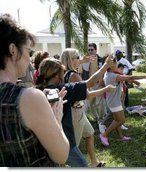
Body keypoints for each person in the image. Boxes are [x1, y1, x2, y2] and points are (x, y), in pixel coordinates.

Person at [0, 13, 69, 166]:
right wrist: (56, 117)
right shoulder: (29, 98)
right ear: (13, 49)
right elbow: (61, 155)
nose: (30, 58)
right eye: (29, 51)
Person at [36, 56, 115, 167]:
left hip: (45, 141)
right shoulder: (63, 89)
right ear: (58, 75)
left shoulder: (39, 91)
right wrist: (106, 65)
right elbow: (90, 83)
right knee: (82, 166)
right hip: (64, 141)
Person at [61, 48, 105, 167]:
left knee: (90, 134)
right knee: (72, 147)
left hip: (78, 111)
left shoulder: (65, 72)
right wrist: (105, 89)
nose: (79, 60)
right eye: (77, 57)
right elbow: (88, 94)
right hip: (75, 113)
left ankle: (94, 163)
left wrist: (83, 60)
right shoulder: (74, 75)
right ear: (71, 60)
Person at [99, 58, 146, 147]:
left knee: (116, 120)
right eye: (115, 62)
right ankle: (104, 135)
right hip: (114, 102)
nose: (117, 63)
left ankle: (121, 137)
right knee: (121, 120)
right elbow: (130, 77)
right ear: (111, 65)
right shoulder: (112, 76)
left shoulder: (109, 74)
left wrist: (134, 81)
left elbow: (127, 79)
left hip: (113, 101)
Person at [81, 43, 107, 131]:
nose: (90, 51)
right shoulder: (86, 61)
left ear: (96, 50)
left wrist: (103, 78)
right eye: (89, 50)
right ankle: (96, 118)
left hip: (99, 84)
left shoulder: (101, 59)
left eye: (92, 49)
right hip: (89, 85)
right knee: (91, 104)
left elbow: (105, 70)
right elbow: (82, 73)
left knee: (100, 103)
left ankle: (101, 119)